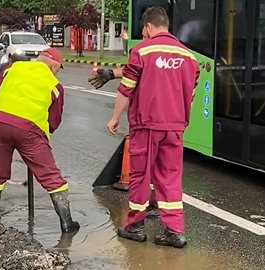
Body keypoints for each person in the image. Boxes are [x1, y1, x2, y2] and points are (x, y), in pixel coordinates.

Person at [106, 7, 199, 248]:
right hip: (175, 127)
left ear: (148, 26)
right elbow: (191, 95)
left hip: (147, 125)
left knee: (139, 176)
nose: (143, 34)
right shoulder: (189, 57)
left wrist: (115, 117)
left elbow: (126, 89)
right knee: (169, 177)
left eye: (143, 31)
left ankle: (135, 226)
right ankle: (175, 232)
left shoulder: (142, 51)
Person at [0, 47, 80, 233]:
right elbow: (54, 121)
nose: (57, 72)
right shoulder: (54, 84)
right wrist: (42, 135)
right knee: (51, 175)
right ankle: (66, 222)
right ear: (52, 66)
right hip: (29, 129)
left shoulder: (13, 69)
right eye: (58, 68)